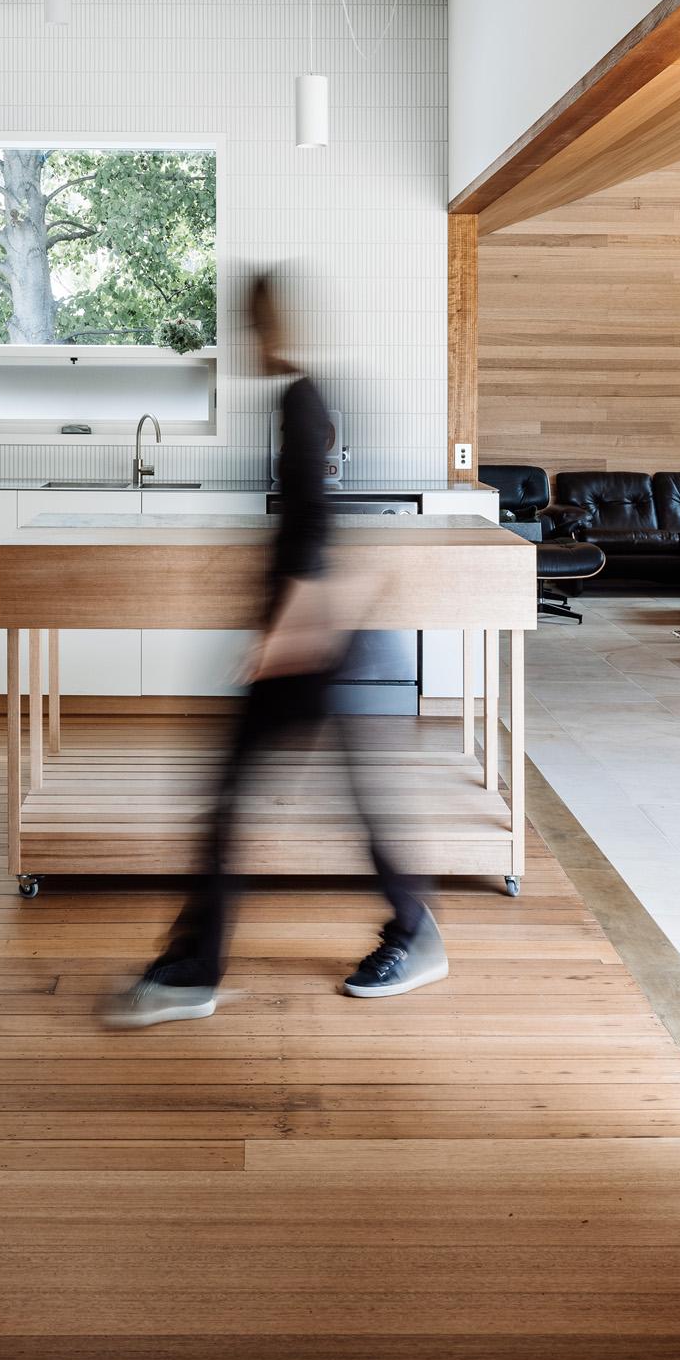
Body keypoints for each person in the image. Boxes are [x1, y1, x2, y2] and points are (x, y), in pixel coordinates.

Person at [101, 270, 447, 1027]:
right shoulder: (301, 397)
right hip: (317, 639)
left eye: (253, 324)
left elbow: (311, 524)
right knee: (321, 799)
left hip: (312, 644)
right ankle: (407, 929)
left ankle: (196, 971)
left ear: (276, 326)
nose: (248, 340)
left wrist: (282, 634)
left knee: (239, 802)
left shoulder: (299, 399)